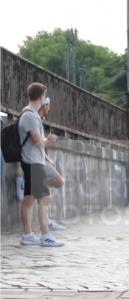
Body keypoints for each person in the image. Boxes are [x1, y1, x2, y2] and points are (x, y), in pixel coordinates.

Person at [18, 83, 65, 246]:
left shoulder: (30, 114)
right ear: (40, 97)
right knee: (45, 198)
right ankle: (45, 235)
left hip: (33, 161)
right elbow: (38, 142)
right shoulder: (30, 115)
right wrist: (49, 140)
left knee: (29, 199)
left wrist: (45, 153)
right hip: (33, 162)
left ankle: (28, 235)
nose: (45, 99)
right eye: (45, 96)